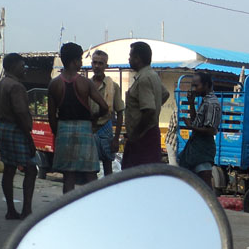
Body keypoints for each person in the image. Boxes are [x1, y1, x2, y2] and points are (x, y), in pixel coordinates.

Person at [48, 42, 108, 194]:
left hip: (63, 130)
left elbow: (51, 116)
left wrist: (58, 133)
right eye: (80, 59)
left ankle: (68, 210)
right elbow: (104, 107)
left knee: (69, 176)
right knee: (90, 173)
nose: (82, 63)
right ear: (75, 61)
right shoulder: (85, 83)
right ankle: (95, 207)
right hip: (84, 129)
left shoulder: (54, 84)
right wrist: (94, 117)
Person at [0, 52, 37, 220]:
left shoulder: (2, 84)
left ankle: (11, 209)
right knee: (31, 169)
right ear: (12, 67)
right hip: (15, 129)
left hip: (3, 128)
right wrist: (29, 137)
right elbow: (20, 113)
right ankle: (26, 209)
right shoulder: (16, 86)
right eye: (21, 65)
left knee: (9, 169)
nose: (24, 69)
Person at [122, 41, 169, 169]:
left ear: (138, 58)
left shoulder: (143, 79)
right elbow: (165, 94)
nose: (129, 59)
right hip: (150, 132)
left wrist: (136, 133)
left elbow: (149, 110)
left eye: (131, 56)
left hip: (143, 136)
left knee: (136, 176)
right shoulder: (152, 75)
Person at [178, 72, 221, 189]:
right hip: (196, 148)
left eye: (196, 86)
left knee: (205, 187)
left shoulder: (212, 103)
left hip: (203, 149)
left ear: (206, 85)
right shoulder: (204, 101)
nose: (194, 89)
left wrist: (191, 127)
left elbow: (211, 130)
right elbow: (196, 121)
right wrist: (191, 103)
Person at [89, 49, 124, 178]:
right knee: (90, 169)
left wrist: (116, 139)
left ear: (106, 66)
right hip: (89, 129)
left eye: (100, 63)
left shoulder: (113, 86)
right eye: (95, 62)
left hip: (105, 129)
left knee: (107, 165)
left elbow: (120, 113)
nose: (97, 66)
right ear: (91, 64)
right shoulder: (86, 85)